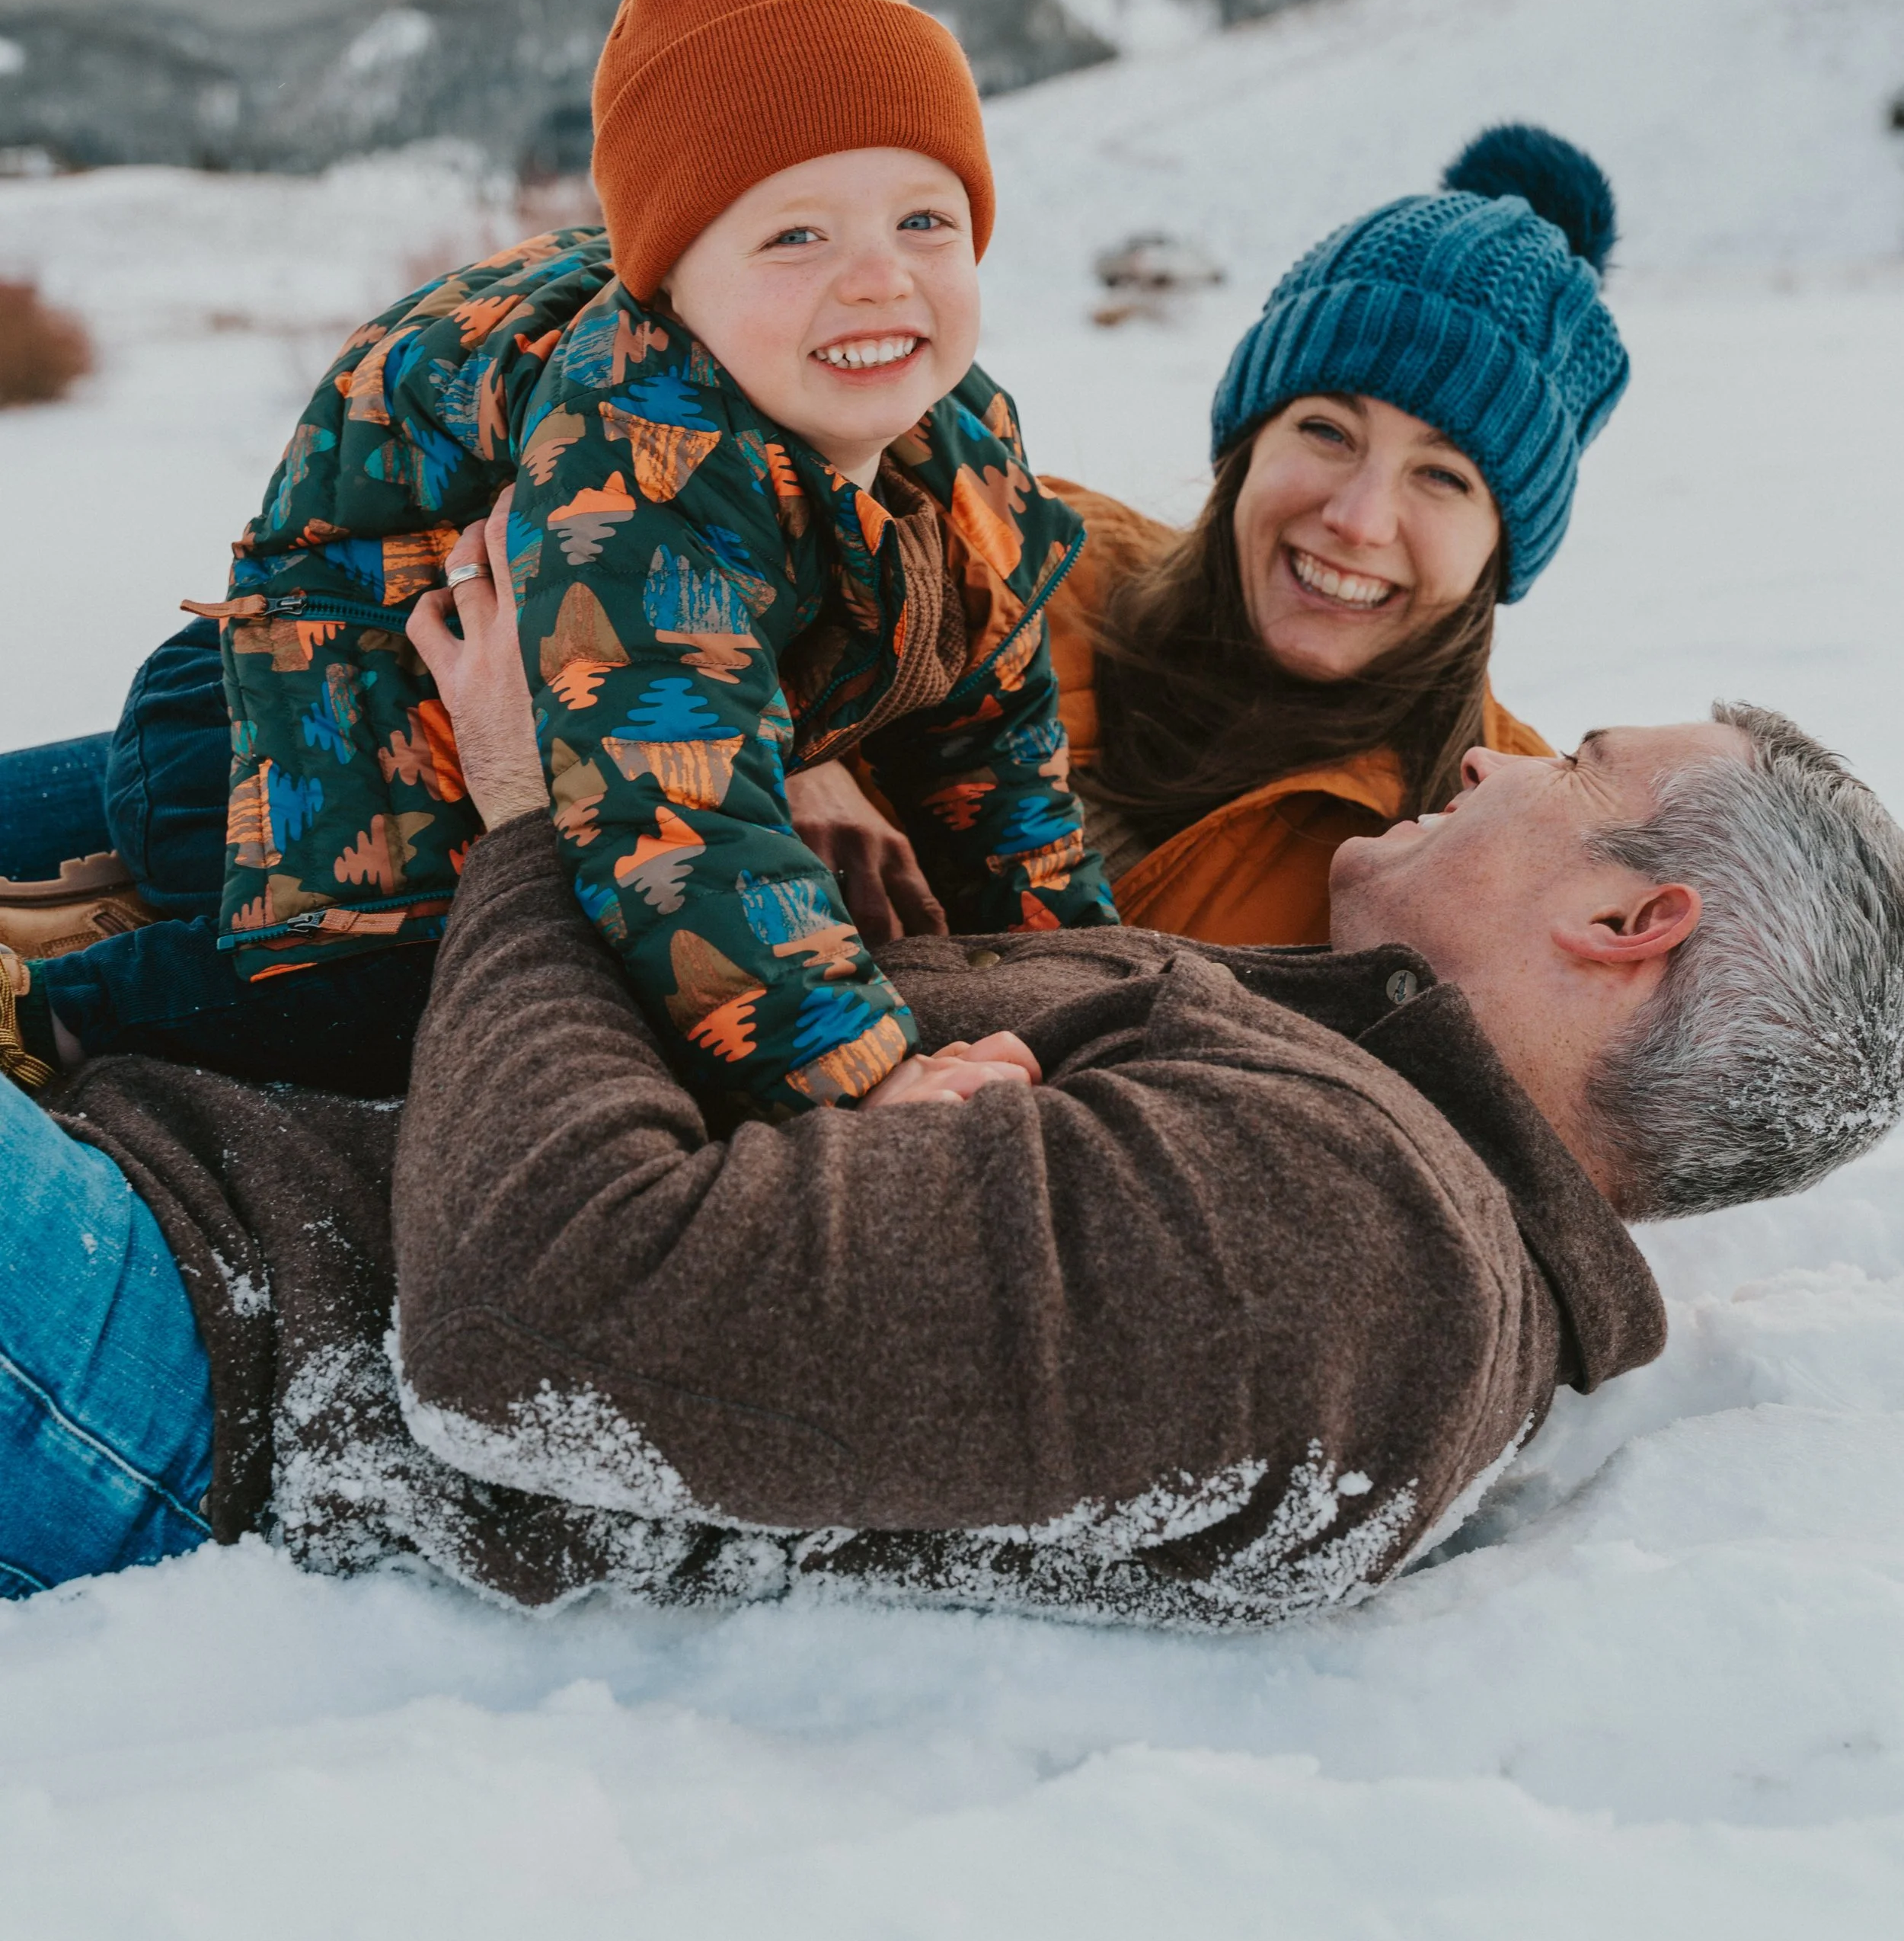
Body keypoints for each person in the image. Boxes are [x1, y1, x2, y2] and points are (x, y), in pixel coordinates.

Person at [7, 491, 1904, 1616]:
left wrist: (545, 825)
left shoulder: (1358, 1249)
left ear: (1626, 926)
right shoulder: (1342, 1112)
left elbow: (544, 1321)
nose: (1497, 756)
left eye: (1573, 771)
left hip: (170, 1343)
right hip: (171, 1198)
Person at [0, 0, 1114, 1116]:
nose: (879, 275)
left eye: (924, 221)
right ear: (672, 281)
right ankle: (61, 1002)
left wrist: (1072, 958)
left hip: (418, 737)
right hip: (278, 736)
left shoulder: (960, 452)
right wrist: (863, 1070)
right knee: (444, 986)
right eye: (796, 233)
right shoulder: (650, 445)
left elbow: (994, 740)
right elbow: (671, 811)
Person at [790, 125, 1630, 948]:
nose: (1358, 519)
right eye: (1327, 432)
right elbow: (686, 531)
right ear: (1247, 446)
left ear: (1502, 543)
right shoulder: (1017, 561)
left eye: (1443, 478)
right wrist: (784, 757)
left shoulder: (1500, 836)